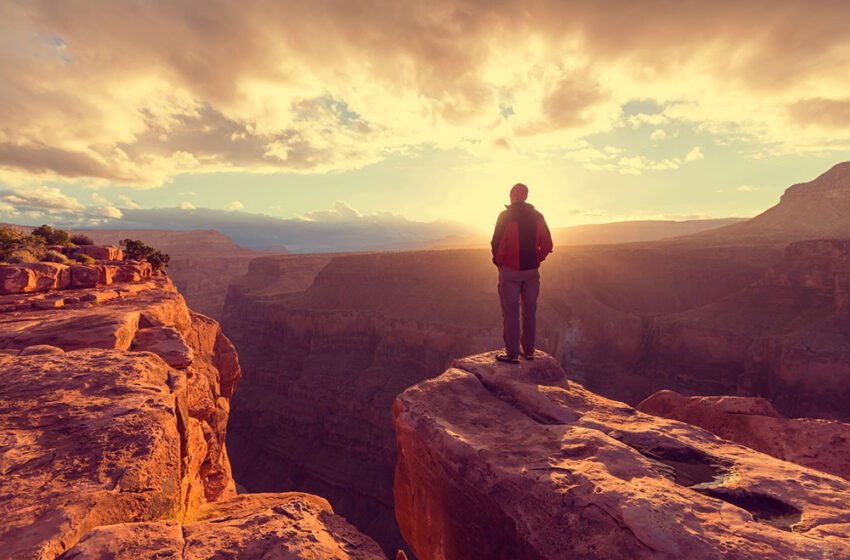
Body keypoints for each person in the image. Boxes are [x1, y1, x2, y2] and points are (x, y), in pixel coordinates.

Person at [490, 183, 553, 364]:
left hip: (510, 271)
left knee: (510, 312)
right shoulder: (538, 216)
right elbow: (547, 245)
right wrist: (536, 259)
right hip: (532, 272)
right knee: (530, 311)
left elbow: (497, 244)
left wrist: (500, 263)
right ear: (526, 196)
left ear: (511, 196)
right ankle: (530, 352)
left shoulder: (505, 216)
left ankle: (512, 354)